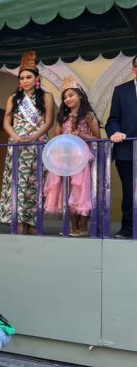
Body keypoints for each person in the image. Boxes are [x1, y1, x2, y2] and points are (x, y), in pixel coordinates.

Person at [0, 51, 55, 235]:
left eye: (29, 77)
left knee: (35, 185)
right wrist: (16, 137)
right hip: (17, 146)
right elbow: (6, 122)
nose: (25, 81)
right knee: (17, 185)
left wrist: (35, 136)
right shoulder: (13, 98)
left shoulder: (47, 97)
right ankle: (18, 223)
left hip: (37, 145)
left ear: (37, 78)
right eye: (22, 78)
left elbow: (49, 122)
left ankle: (33, 223)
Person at [43, 78, 100, 236]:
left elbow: (98, 137)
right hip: (65, 159)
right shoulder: (63, 117)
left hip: (82, 159)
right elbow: (56, 138)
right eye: (65, 97)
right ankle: (72, 227)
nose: (67, 99)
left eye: (71, 95)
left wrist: (81, 134)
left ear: (80, 95)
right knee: (67, 191)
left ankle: (83, 228)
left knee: (81, 191)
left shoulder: (88, 116)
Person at [105, 55, 137, 239]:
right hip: (127, 151)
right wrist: (115, 132)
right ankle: (128, 229)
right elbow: (113, 120)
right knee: (130, 192)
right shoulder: (121, 90)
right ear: (134, 69)